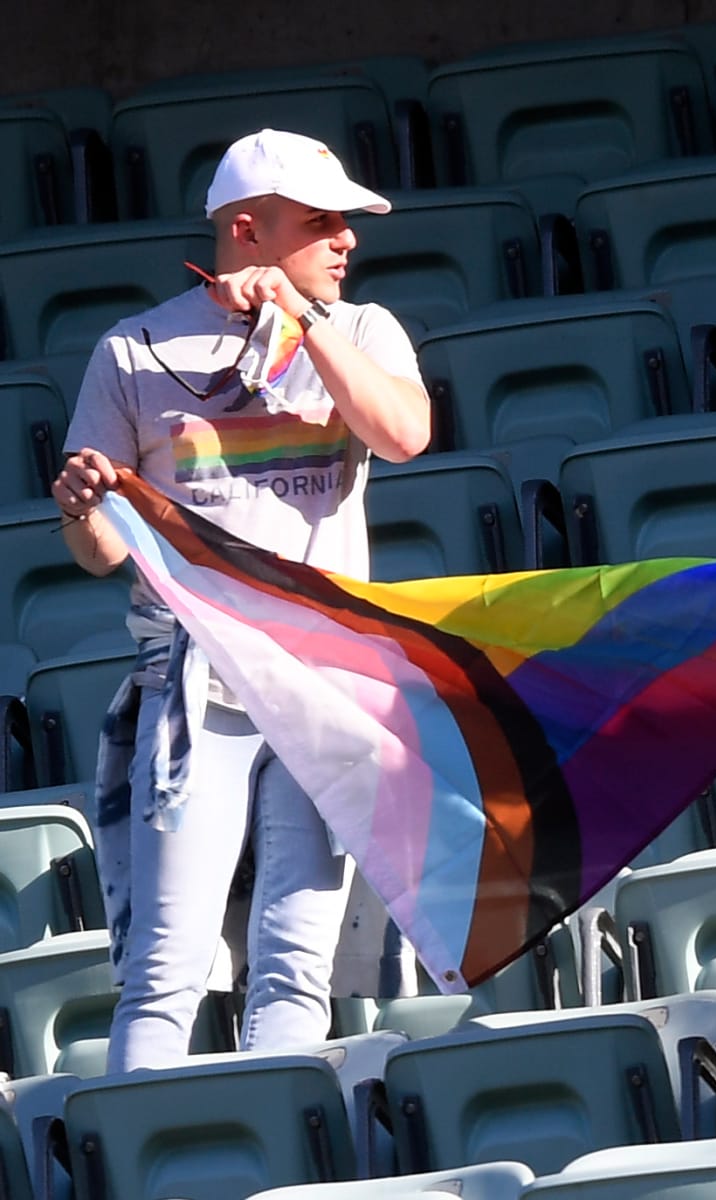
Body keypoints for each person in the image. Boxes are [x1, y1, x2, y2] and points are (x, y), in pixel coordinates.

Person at [51, 128, 431, 1072]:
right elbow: (100, 553)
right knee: (164, 967)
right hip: (196, 691)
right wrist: (84, 505)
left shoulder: (364, 330)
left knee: (295, 970)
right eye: (323, 222)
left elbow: (404, 433)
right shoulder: (131, 350)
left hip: (325, 686)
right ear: (249, 229)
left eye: (348, 223)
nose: (348, 240)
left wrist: (303, 325)